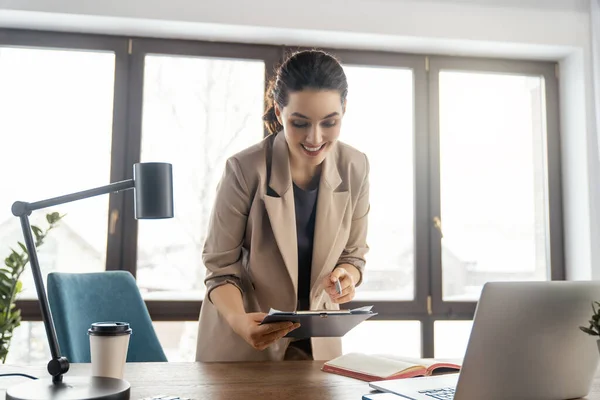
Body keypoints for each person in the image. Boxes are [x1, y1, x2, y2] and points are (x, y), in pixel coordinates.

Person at [195, 49, 370, 362]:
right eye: (300, 123)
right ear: (278, 112)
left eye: (330, 122)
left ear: (344, 108)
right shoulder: (244, 170)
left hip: (319, 349)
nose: (315, 138)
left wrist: (346, 276)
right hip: (244, 344)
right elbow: (220, 270)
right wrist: (238, 321)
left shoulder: (355, 167)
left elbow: (353, 256)